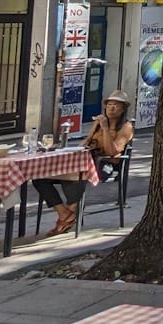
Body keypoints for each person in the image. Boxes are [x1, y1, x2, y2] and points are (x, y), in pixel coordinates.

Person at [34, 90, 135, 235]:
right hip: (86, 161)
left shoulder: (126, 127)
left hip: (105, 165)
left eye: (116, 106)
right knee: (40, 178)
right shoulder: (98, 123)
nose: (111, 108)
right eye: (109, 105)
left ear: (123, 109)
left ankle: (69, 214)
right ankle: (65, 213)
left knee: (76, 176)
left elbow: (112, 151)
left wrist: (106, 128)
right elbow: (86, 142)